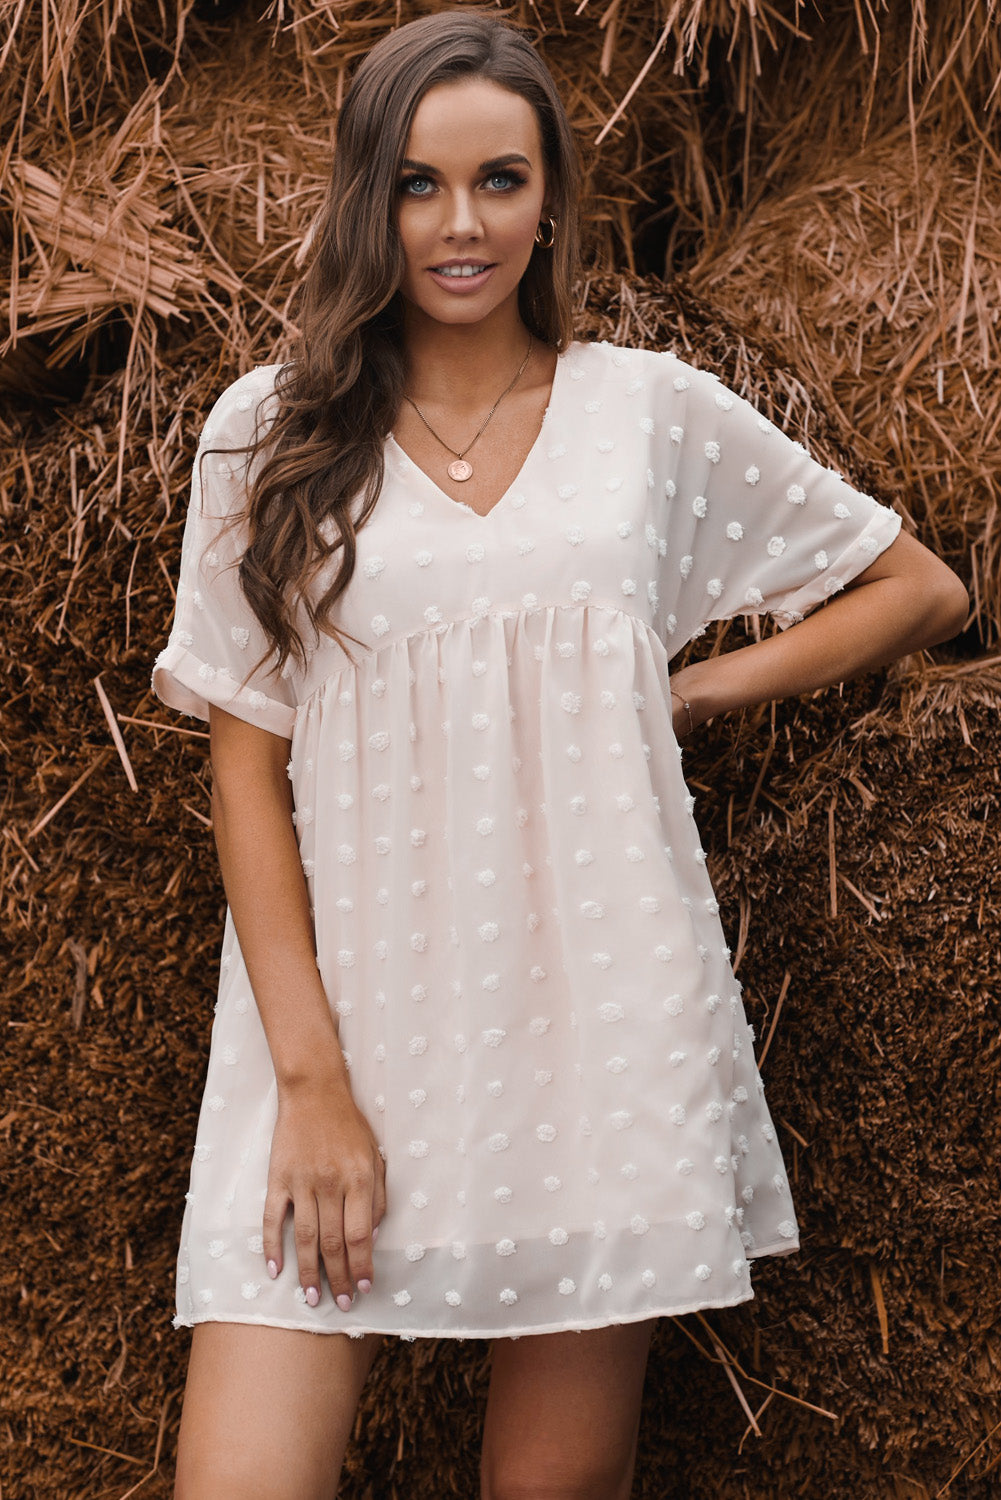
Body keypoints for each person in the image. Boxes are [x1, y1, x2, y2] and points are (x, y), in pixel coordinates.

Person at [151, 10, 968, 1498]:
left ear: (551, 197)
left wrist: (692, 695)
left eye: (499, 181)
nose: (461, 226)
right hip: (338, 1034)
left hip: (595, 1028)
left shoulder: (646, 415)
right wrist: (313, 1083)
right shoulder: (266, 433)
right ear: (362, 198)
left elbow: (916, 587)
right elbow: (242, 765)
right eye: (415, 184)